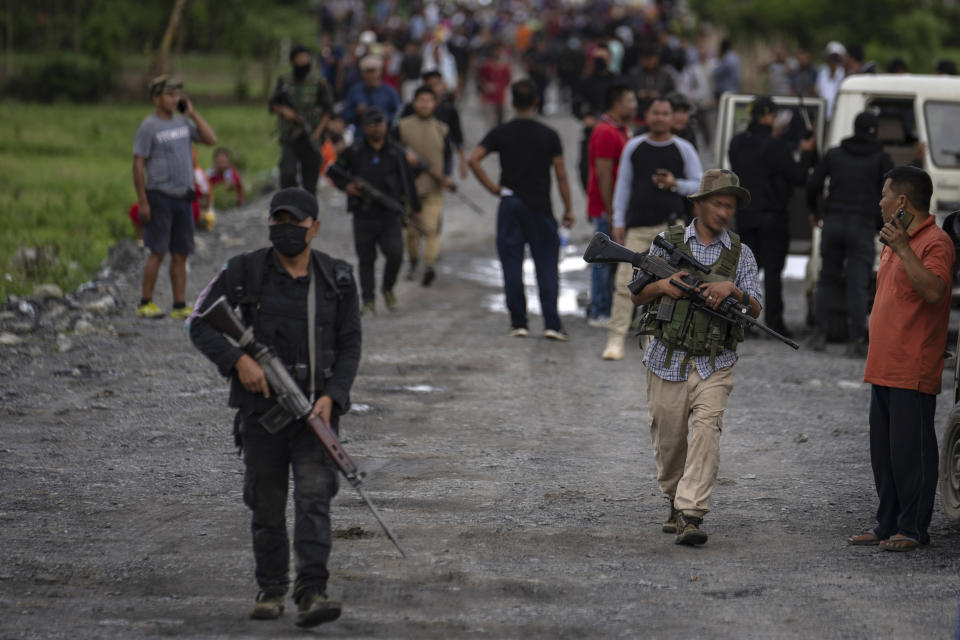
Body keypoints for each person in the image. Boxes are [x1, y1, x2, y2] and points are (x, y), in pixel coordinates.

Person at [188, 187, 361, 627]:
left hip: (316, 411)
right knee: (265, 504)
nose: (286, 230)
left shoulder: (338, 277)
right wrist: (238, 360)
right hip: (261, 413)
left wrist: (332, 396)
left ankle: (312, 591)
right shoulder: (244, 271)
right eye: (278, 222)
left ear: (314, 228)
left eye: (295, 223)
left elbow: (350, 344)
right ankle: (271, 589)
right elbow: (199, 321)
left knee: (314, 500)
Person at [631, 169, 761, 546]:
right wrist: (663, 286)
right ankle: (674, 499)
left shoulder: (741, 254)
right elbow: (637, 294)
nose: (724, 212)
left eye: (730, 207)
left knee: (707, 432)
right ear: (699, 204)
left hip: (714, 362)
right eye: (718, 203)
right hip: (665, 358)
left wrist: (732, 290)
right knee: (669, 440)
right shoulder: (666, 242)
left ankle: (691, 514)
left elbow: (755, 309)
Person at [849, 166, 955, 552]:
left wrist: (906, 249)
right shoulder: (896, 239)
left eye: (884, 195)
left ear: (902, 202)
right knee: (886, 454)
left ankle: (912, 529)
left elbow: (934, 291)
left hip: (912, 368)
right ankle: (886, 524)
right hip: (884, 365)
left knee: (913, 454)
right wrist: (899, 246)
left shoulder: (934, 242)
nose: (880, 202)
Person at [468, 79, 575, 341]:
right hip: (540, 206)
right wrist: (568, 208)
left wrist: (493, 188)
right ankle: (552, 323)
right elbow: (561, 174)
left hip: (510, 203)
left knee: (511, 265)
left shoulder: (501, 132)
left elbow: (473, 160)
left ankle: (519, 323)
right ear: (536, 102)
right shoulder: (548, 135)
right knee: (547, 266)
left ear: (512, 102)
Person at [603, 97, 702, 361]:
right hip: (637, 226)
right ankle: (615, 339)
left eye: (665, 113)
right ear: (647, 116)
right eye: (655, 113)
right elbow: (622, 186)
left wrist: (674, 184)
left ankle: (656, 341)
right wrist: (619, 221)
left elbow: (699, 185)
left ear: (673, 117)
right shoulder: (634, 147)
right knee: (625, 282)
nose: (660, 118)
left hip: (673, 229)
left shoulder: (684, 148)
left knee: (670, 286)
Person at [728, 95, 816, 338]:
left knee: (746, 272)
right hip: (773, 218)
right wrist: (807, 152)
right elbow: (798, 176)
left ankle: (741, 321)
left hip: (745, 215)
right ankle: (774, 323)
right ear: (767, 116)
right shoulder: (775, 145)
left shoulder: (737, 142)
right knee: (774, 274)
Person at [807, 112, 893, 355]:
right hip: (862, 226)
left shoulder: (835, 154)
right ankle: (856, 341)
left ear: (854, 128)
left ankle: (820, 335)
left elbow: (813, 184)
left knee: (826, 280)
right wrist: (880, 223)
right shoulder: (881, 158)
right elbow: (891, 192)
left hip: (833, 222)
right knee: (857, 283)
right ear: (875, 131)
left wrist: (815, 211)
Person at [133, 75, 216, 320]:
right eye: (169, 94)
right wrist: (143, 201)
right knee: (157, 251)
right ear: (156, 98)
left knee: (181, 253)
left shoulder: (183, 124)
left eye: (177, 94)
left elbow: (211, 140)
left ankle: (179, 305)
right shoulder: (149, 127)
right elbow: (138, 165)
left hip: (183, 197)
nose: (175, 99)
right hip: (160, 196)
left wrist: (192, 113)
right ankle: (145, 302)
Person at [330, 107, 421, 314]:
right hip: (363, 214)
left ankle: (388, 288)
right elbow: (334, 171)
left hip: (389, 215)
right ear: (365, 127)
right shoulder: (354, 151)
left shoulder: (396, 152)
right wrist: (347, 187)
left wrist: (415, 209)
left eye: (380, 124)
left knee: (395, 254)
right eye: (372, 125)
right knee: (366, 258)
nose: (377, 129)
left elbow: (408, 182)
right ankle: (368, 300)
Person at [584, 83, 636, 327]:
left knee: (612, 260)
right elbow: (603, 174)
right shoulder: (605, 131)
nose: (634, 104)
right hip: (608, 207)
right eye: (630, 99)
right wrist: (612, 211)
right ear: (617, 102)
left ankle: (605, 305)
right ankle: (599, 310)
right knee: (602, 260)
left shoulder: (620, 128)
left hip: (617, 206)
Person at [397, 86, 455, 286]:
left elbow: (448, 157)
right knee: (412, 233)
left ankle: (429, 265)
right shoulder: (402, 126)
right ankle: (413, 261)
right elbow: (393, 152)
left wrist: (447, 176)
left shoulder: (442, 128)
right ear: (414, 103)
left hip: (434, 189)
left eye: (428, 100)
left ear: (434, 103)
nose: (424, 104)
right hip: (409, 190)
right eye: (421, 100)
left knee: (430, 229)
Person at [268, 45, 334, 196]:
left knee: (310, 180)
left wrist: (317, 132)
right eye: (300, 59)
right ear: (293, 62)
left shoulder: (318, 82)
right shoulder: (284, 81)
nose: (304, 62)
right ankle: (288, 206)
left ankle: (309, 213)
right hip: (290, 136)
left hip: (311, 136)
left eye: (306, 59)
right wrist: (285, 111)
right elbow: (272, 105)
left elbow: (328, 110)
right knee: (287, 172)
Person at [341, 55, 403, 133]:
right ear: (362, 73)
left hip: (385, 137)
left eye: (373, 71)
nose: (370, 75)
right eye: (367, 71)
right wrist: (357, 112)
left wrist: (382, 117)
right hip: (361, 138)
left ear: (380, 71)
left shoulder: (390, 91)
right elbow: (345, 116)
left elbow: (399, 115)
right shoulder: (355, 91)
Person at [477, 42, 512, 129]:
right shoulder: (486, 66)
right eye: (497, 50)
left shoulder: (505, 67)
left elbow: (508, 80)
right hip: (488, 97)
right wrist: (486, 86)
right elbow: (481, 79)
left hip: (500, 97)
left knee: (501, 121)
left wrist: (500, 87)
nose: (499, 53)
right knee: (490, 122)